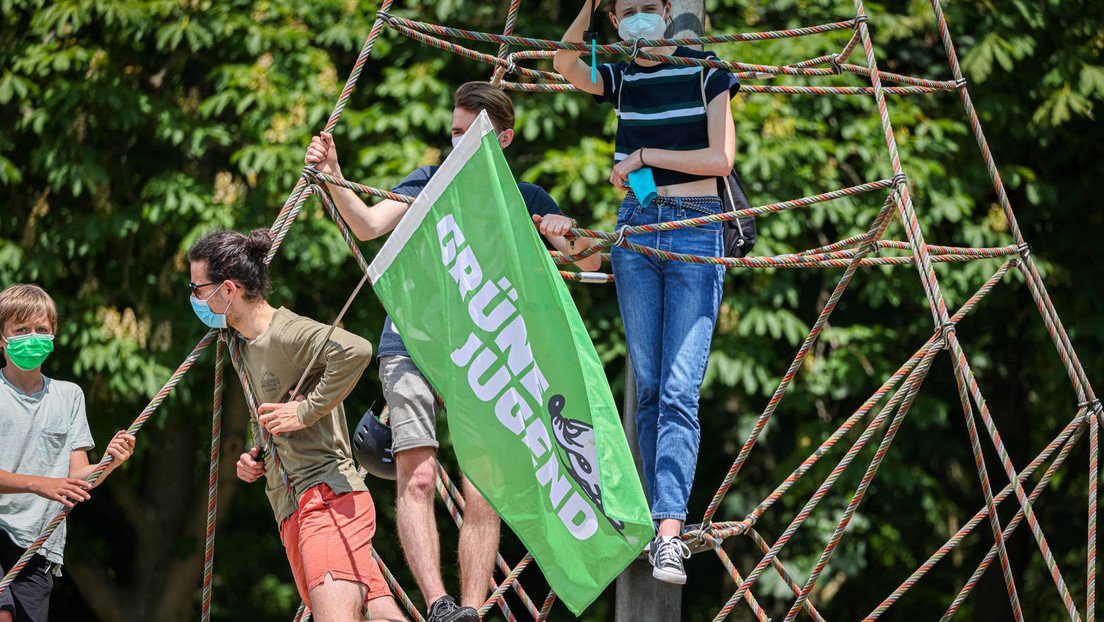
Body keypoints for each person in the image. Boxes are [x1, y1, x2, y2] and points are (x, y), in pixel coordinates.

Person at [304, 81, 600, 622]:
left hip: (485, 351)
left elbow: (586, 262)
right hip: (414, 342)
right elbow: (369, 225)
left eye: (470, 136)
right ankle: (438, 604)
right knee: (417, 474)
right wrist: (334, 178)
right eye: (454, 134)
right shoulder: (430, 181)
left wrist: (564, 232)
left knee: (484, 489)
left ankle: (469, 611)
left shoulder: (527, 200)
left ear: (503, 139)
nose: (457, 147)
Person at [553, 0, 740, 584]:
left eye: (646, 8)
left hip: (696, 228)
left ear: (667, 11)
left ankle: (669, 533)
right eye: (626, 10)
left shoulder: (708, 71)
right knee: (652, 387)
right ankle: (650, 522)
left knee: (682, 387)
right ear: (616, 21)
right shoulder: (624, 75)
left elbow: (720, 159)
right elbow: (563, 61)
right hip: (636, 226)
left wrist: (643, 157)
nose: (638, 19)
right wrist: (588, 6)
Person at [186, 230, 406, 622]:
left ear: (228, 289)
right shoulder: (240, 343)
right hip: (291, 507)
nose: (194, 298)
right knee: (382, 615)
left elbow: (357, 350)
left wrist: (305, 413)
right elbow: (273, 417)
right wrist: (258, 458)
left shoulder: (285, 332)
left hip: (327, 499)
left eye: (197, 288)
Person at [0, 284, 137, 622]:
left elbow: (76, 477)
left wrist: (110, 462)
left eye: (41, 330)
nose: (32, 337)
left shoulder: (69, 395)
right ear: (1, 338)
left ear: (53, 335)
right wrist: (40, 484)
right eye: (21, 330)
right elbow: (50, 484)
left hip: (39, 542)